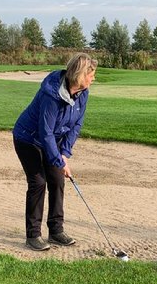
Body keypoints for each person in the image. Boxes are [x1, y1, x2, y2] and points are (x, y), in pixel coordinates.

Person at [12, 53, 97, 251]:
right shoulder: (51, 95)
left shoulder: (82, 93)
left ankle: (56, 231)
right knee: (38, 182)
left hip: (52, 140)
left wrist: (64, 154)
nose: (93, 78)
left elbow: (76, 125)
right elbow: (45, 132)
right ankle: (33, 235)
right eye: (91, 75)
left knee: (57, 180)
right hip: (28, 139)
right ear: (80, 75)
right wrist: (59, 162)